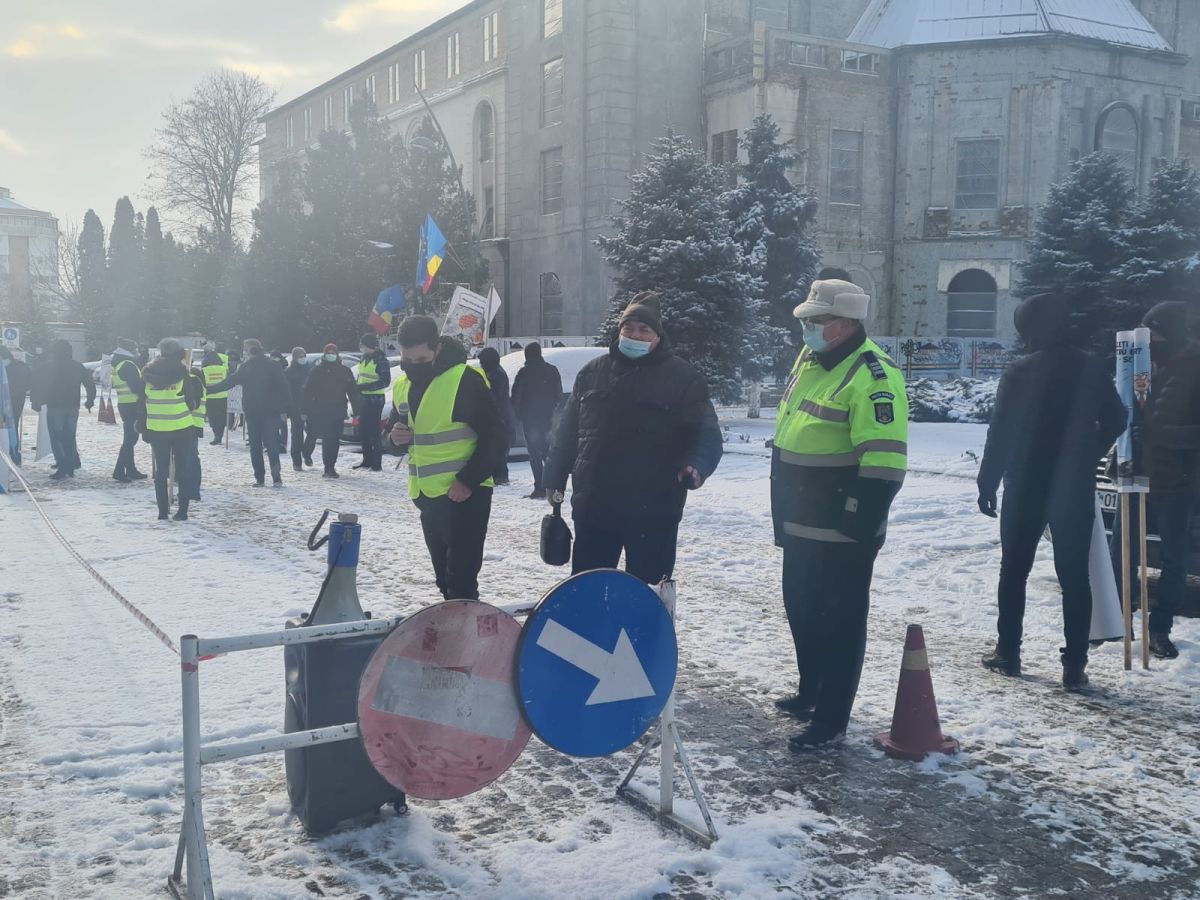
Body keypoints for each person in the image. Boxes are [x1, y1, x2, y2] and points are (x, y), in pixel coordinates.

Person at [770, 279, 908, 750]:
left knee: (840, 622)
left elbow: (885, 465)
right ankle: (811, 690)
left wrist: (856, 525)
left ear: (845, 324)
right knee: (802, 608)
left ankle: (831, 720)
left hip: (841, 529)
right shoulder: (812, 360)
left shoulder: (874, 376)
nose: (807, 328)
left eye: (816, 320)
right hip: (800, 518)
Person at [978, 293, 1126, 688]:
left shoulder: (1020, 371)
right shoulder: (1091, 367)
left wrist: (987, 481)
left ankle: (1008, 653)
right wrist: (1089, 453)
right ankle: (1074, 666)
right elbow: (1118, 417)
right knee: (1075, 577)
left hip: (1025, 483)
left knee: (1014, 571)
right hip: (1073, 485)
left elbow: (1001, 431)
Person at [543, 291, 723, 586]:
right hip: (595, 507)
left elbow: (707, 435)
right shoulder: (591, 373)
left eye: (644, 329)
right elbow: (567, 432)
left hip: (654, 510)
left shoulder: (683, 378)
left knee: (647, 594)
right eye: (628, 328)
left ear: (658, 336)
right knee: (589, 590)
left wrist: (696, 465)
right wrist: (554, 477)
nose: (635, 335)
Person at [384, 315, 505, 600]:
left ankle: (464, 626)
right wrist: (393, 439)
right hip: (427, 496)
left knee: (460, 584)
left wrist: (467, 480)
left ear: (437, 348)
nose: (413, 366)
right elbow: (392, 435)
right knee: (443, 582)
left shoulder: (464, 380)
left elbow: (497, 436)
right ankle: (453, 625)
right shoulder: (402, 385)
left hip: (467, 497)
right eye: (407, 359)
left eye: (421, 359)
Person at [1111, 301, 1200, 660]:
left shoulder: (1195, 366)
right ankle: (1121, 621)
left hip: (1176, 480)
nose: (1151, 341)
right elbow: (1126, 413)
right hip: (1134, 472)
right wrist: (1117, 455)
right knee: (1122, 550)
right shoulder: (1140, 362)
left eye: (1156, 334)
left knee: (1174, 558)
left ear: (1173, 332)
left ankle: (1159, 629)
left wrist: (1158, 435)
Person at [205, 338, 291, 486]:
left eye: (246, 348)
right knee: (266, 445)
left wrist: (209, 390)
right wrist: (210, 389)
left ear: (253, 349)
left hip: (261, 412)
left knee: (261, 445)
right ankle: (271, 478)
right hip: (261, 412)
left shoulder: (255, 366)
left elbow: (283, 387)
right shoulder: (260, 366)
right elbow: (231, 381)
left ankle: (265, 478)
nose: (244, 351)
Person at [142, 339, 202, 521]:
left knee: (161, 472)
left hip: (157, 429)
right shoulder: (183, 374)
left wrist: (143, 428)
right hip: (181, 429)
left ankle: (162, 511)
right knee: (182, 471)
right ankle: (182, 511)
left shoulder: (147, 374)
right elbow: (192, 403)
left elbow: (141, 403)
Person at [31, 339, 95, 480]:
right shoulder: (77, 366)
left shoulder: (48, 366)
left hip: (55, 405)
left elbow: (37, 384)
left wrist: (35, 401)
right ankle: (70, 464)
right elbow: (90, 384)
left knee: (56, 437)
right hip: (72, 406)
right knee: (69, 436)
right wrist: (90, 400)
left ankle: (63, 466)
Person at [511, 343, 563, 499]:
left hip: (530, 419)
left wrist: (519, 415)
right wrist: (551, 410)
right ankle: (553, 485)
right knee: (548, 452)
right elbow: (558, 394)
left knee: (534, 454)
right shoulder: (552, 370)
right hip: (548, 418)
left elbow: (516, 396)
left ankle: (539, 488)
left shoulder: (524, 373)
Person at [303, 343, 360, 478]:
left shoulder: (344, 371)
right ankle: (327, 468)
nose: (330, 355)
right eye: (328, 353)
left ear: (337, 355)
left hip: (338, 411)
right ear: (324, 354)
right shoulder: (317, 371)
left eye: (333, 353)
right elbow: (308, 391)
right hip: (321, 410)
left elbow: (353, 392)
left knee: (334, 440)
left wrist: (357, 410)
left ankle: (331, 466)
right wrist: (305, 410)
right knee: (327, 439)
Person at [110, 338, 148, 482]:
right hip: (133, 405)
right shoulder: (128, 365)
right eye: (135, 349)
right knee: (130, 440)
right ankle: (119, 471)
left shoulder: (120, 363)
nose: (137, 352)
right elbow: (136, 387)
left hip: (125, 404)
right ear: (129, 350)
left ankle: (130, 470)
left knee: (130, 439)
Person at [477, 347, 515, 485]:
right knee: (497, 447)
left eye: (482, 361)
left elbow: (493, 396)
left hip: (500, 416)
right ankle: (499, 475)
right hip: (501, 415)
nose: (481, 364)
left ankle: (501, 476)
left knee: (498, 448)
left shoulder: (495, 375)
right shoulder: (496, 372)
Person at [355, 333, 391, 471]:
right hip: (362, 398)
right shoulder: (363, 358)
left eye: (364, 345)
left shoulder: (381, 360)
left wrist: (365, 387)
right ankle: (367, 460)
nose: (362, 348)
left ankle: (376, 463)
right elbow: (361, 376)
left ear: (370, 346)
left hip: (375, 400)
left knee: (374, 432)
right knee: (363, 431)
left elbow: (385, 381)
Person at [0, 346, 32, 464]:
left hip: (14, 402)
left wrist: (9, 395)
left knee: (11, 427)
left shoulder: (20, 367)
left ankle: (13, 454)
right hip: (12, 401)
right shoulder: (18, 366)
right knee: (9, 427)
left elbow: (28, 383)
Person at [285, 347, 310, 471]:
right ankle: (296, 461)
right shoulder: (289, 372)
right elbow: (286, 392)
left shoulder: (310, 369)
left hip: (310, 406)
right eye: (300, 356)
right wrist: (286, 409)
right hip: (295, 408)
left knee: (313, 433)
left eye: (304, 355)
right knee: (297, 435)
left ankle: (307, 453)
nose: (303, 358)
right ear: (294, 357)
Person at [200, 343, 230, 445]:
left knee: (213, 418)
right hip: (223, 397)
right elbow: (228, 381)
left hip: (210, 398)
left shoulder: (204, 370)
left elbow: (202, 384)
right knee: (221, 417)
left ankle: (216, 435)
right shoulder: (224, 369)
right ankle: (219, 435)